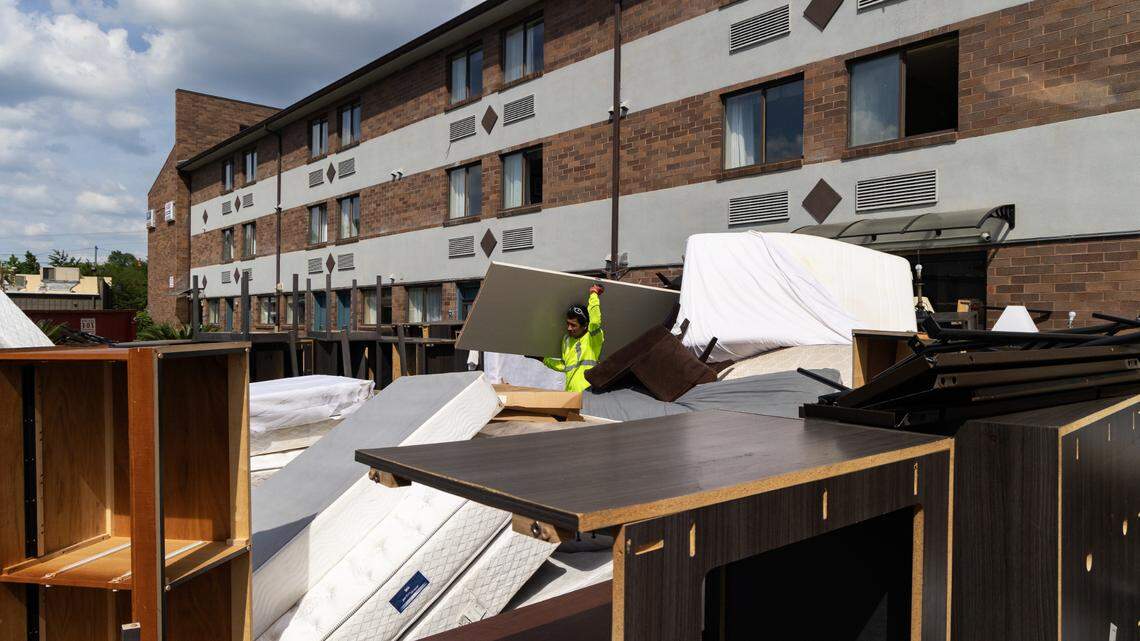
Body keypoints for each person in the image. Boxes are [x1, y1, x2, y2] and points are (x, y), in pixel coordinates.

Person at [543, 284, 605, 392]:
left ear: (585, 325)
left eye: (573, 325)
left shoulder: (593, 337)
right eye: (568, 324)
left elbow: (595, 320)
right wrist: (543, 359)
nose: (569, 328)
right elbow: (564, 366)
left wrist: (594, 294)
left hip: (589, 395)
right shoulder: (567, 340)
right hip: (570, 395)